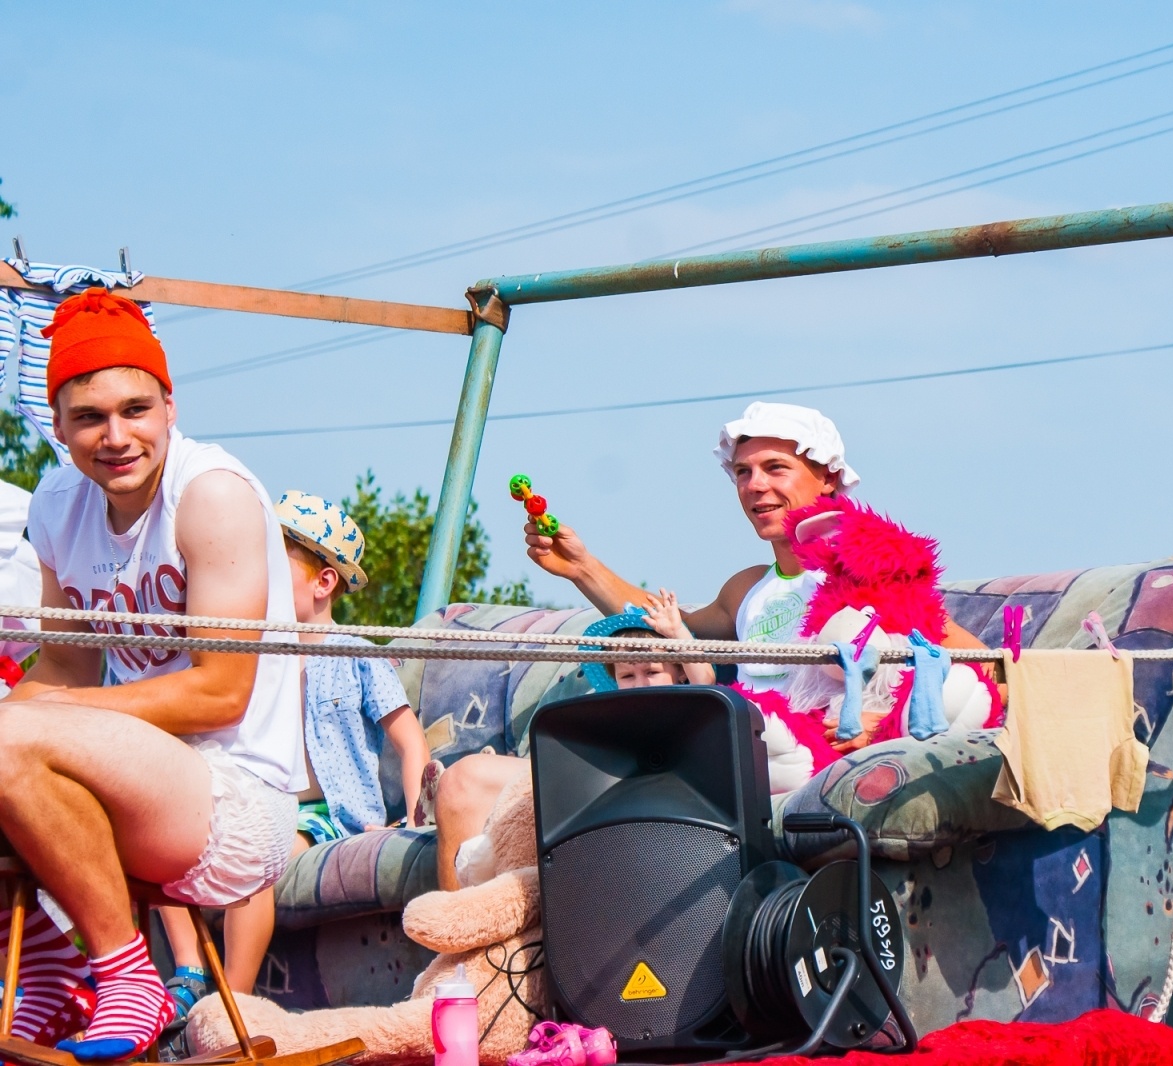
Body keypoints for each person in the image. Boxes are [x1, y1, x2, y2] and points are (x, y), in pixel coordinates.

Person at [431, 403, 991, 885]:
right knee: (462, 784)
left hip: (774, 768)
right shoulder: (748, 588)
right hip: (718, 755)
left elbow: (972, 659)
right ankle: (457, 983)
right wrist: (581, 567)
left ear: (827, 478)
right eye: (743, 472)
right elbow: (666, 629)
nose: (755, 486)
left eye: (776, 468)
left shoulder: (866, 569)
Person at [0, 288, 304, 1060]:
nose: (116, 436)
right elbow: (67, 665)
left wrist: (38, 723)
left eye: (136, 409)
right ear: (59, 426)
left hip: (236, 799)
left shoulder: (212, 495)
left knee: (11, 738)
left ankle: (124, 973)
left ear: (170, 405)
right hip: (128, 777)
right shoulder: (57, 502)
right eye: (89, 418)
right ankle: (49, 972)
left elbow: (218, 691)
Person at [159, 491, 430, 1023]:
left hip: (325, 813)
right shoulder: (250, 656)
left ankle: (233, 1006)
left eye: (273, 570)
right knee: (158, 837)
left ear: (323, 583)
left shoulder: (356, 655)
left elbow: (410, 741)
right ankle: (188, 972)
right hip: (252, 794)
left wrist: (416, 820)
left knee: (256, 850)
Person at [431, 592, 708, 890]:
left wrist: (678, 634)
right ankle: (458, 918)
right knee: (461, 778)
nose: (639, 684)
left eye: (651, 672)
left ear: (680, 672)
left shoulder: (690, 705)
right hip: (582, 784)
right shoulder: (608, 710)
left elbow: (705, 680)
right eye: (627, 675)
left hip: (630, 794)